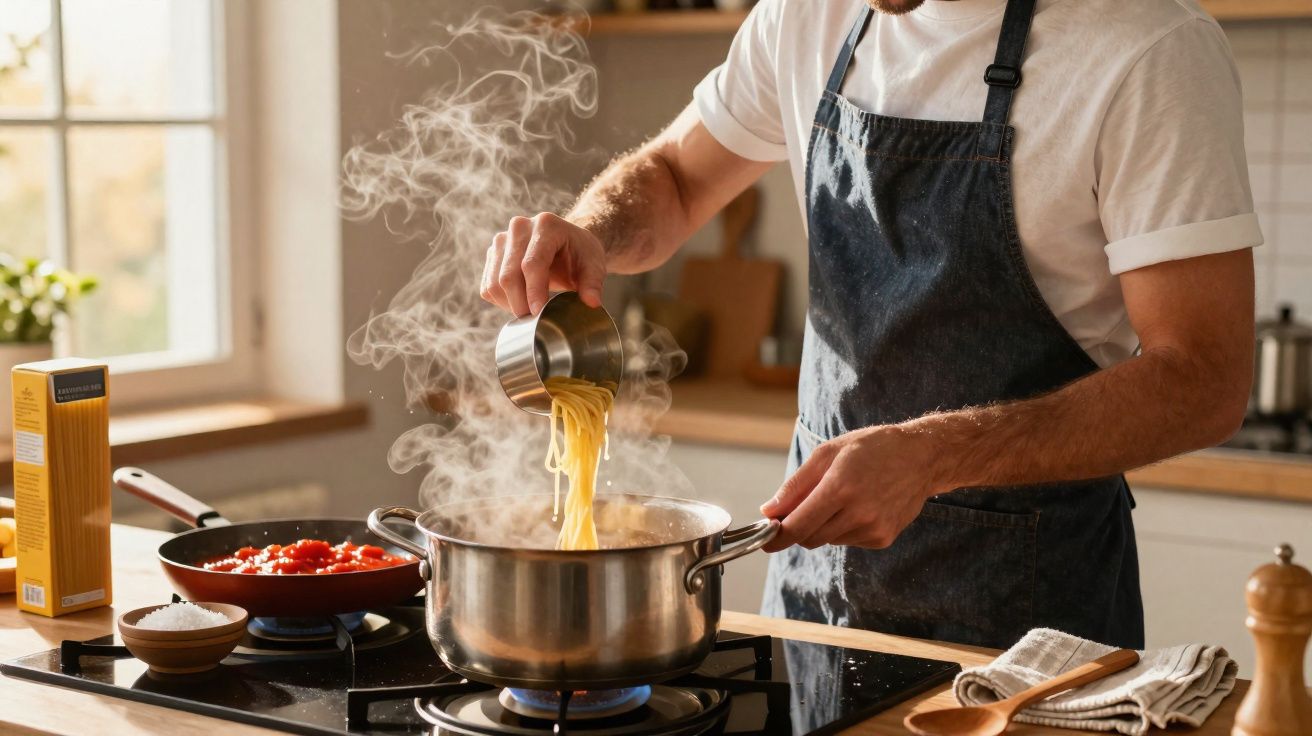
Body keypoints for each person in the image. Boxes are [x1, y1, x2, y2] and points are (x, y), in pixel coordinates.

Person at [480, 0, 1259, 650]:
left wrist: (927, 457)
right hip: (817, 605)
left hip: (1028, 629)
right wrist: (591, 231)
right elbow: (678, 180)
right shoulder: (806, 15)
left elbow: (1203, 377)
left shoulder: (1149, 48)